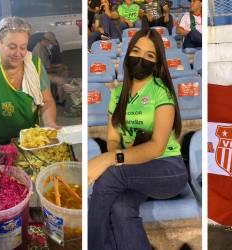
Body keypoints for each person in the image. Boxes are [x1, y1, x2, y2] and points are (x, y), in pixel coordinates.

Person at [88, 28, 188, 249]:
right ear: (128, 53)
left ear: (157, 62)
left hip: (168, 169)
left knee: (111, 175)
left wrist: (108, 159)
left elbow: (156, 147)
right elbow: (113, 139)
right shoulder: (117, 94)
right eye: (137, 51)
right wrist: (114, 154)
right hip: (135, 170)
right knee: (120, 208)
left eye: (150, 56)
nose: (142, 59)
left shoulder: (161, 92)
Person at [0, 17, 59, 151]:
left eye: (23, 47)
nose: (18, 54)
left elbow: (47, 101)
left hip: (32, 145)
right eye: (12, 47)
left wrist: (50, 124)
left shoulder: (35, 65)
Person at [32, 31, 69, 104]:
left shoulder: (43, 47)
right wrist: (57, 68)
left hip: (43, 70)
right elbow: (45, 69)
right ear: (46, 41)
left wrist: (59, 66)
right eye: (50, 43)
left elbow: (47, 64)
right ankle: (60, 100)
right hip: (39, 74)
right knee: (61, 80)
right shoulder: (39, 50)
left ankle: (58, 93)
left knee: (64, 70)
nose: (51, 45)